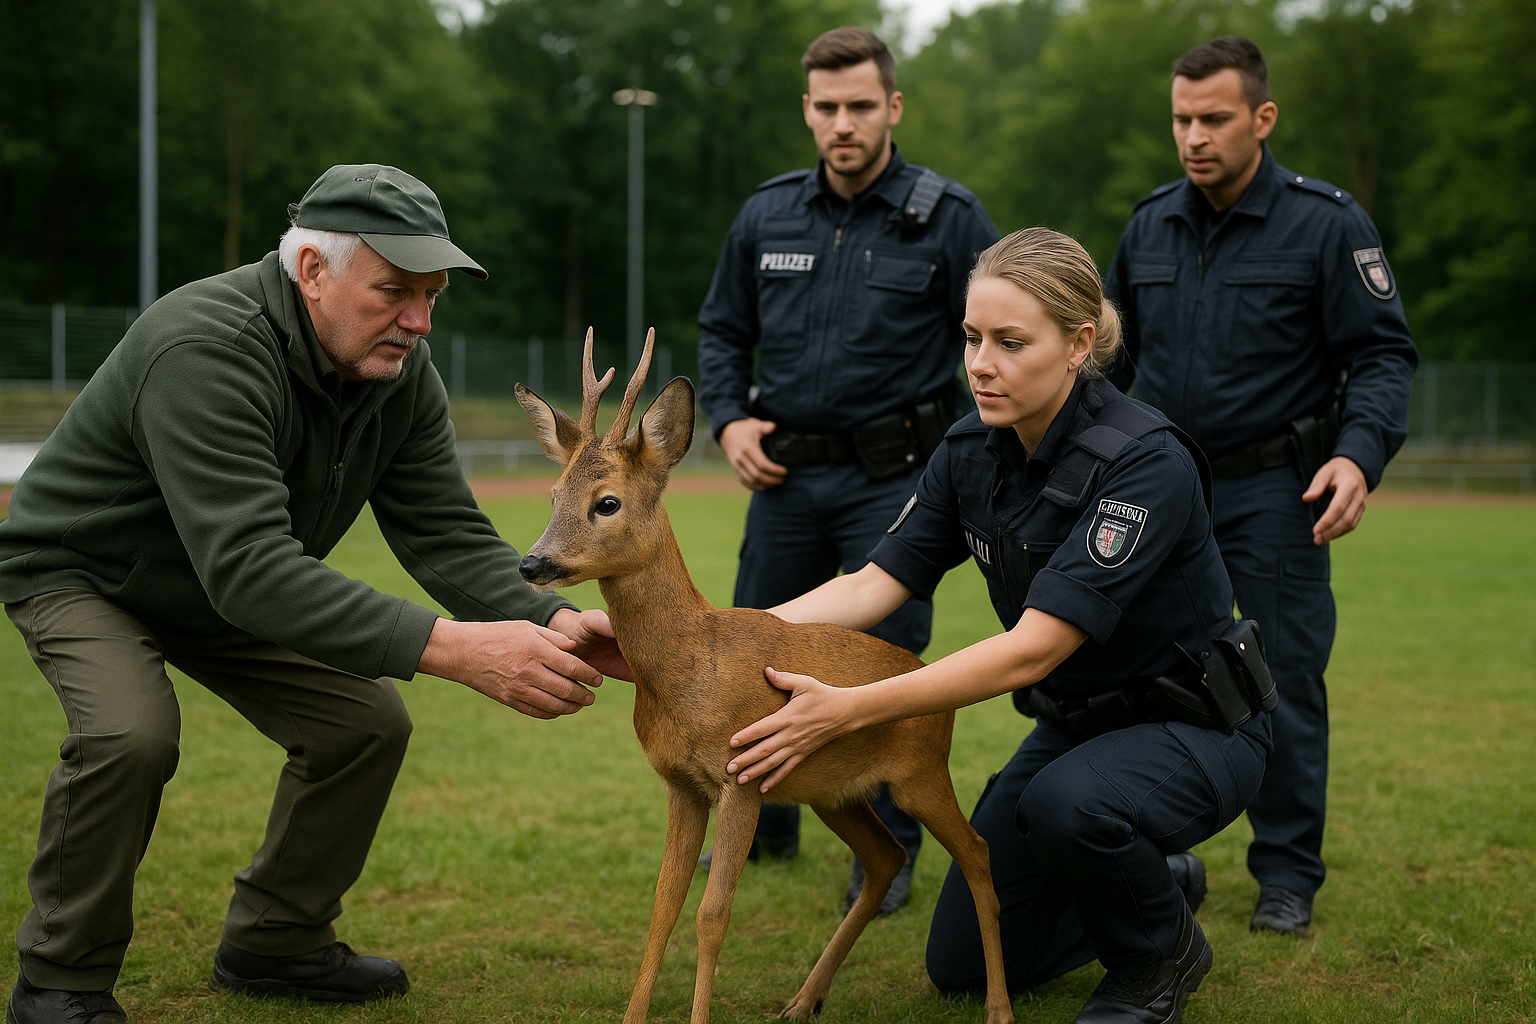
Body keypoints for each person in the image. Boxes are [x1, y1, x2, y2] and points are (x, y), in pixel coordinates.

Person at [0, 164, 628, 1024]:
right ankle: (58, 982)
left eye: (433, 296)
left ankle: (276, 943)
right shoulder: (207, 345)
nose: (417, 321)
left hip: (221, 583)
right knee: (130, 730)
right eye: (395, 292)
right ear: (311, 271)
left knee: (364, 723)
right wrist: (456, 648)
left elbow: (444, 533)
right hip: (86, 570)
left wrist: (556, 616)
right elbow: (251, 567)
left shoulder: (403, 373)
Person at [724, 227, 1272, 1024]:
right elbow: (875, 584)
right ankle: (1159, 883)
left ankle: (1158, 958)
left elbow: (1034, 648)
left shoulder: (1145, 462)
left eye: (1011, 343)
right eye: (973, 338)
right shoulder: (970, 449)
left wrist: (848, 709)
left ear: (1079, 343)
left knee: (1068, 807)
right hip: (1076, 729)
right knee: (959, 964)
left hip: (1197, 728)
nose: (981, 364)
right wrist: (711, 641)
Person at [1103, 37, 1418, 936]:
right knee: (1136, 670)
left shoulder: (1328, 224)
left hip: (1278, 492)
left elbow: (1384, 355)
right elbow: (1108, 368)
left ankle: (1285, 873)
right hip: (1163, 492)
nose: (1193, 137)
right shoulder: (1149, 225)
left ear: (1262, 118)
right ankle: (1151, 847)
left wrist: (1357, 454)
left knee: (1279, 679)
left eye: (1214, 119)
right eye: (1181, 120)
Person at [696, 26, 997, 912]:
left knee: (881, 660)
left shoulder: (951, 218)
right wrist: (728, 420)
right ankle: (759, 826)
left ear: (893, 107)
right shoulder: (768, 213)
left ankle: (892, 851)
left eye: (861, 105)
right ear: (806, 111)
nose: (843, 123)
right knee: (756, 649)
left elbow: (992, 336)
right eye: (826, 107)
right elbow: (722, 330)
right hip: (784, 478)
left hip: (897, 478)